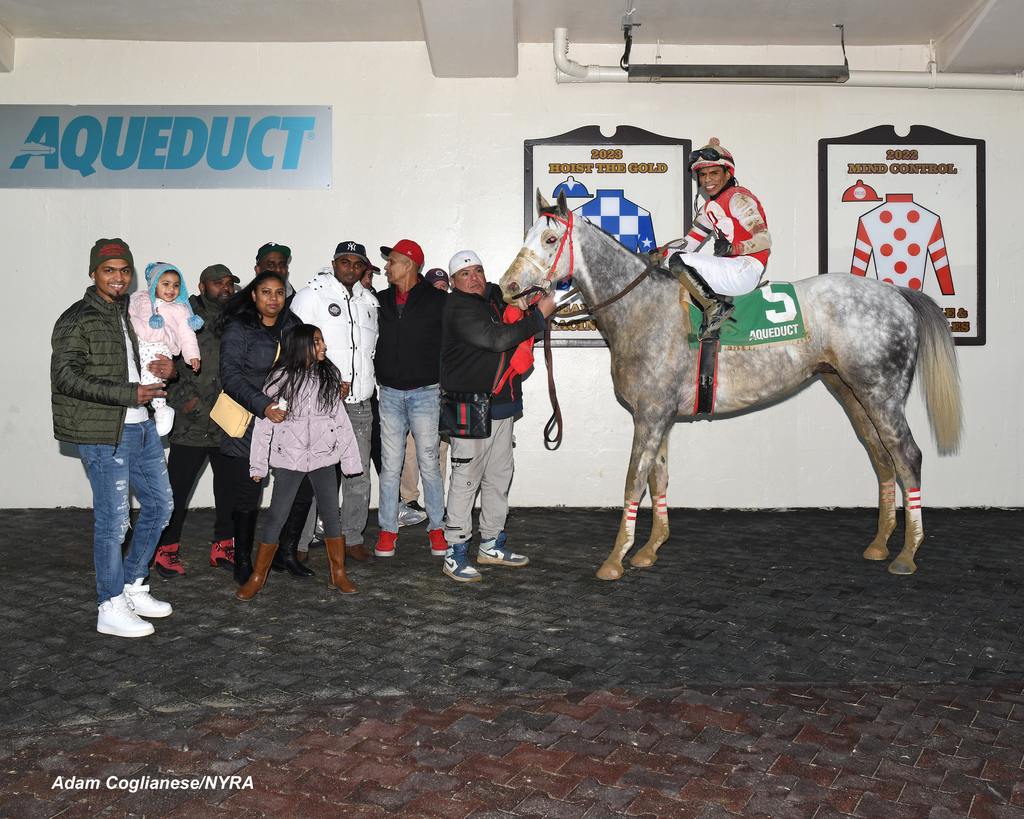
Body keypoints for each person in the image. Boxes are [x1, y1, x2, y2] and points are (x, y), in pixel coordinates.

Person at [51, 238, 175, 637]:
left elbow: (134, 365)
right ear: (94, 274)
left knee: (160, 505)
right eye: (109, 270)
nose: (118, 277)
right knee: (113, 522)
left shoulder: (127, 313)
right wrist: (128, 393)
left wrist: (164, 371)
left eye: (124, 271)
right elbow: (65, 377)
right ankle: (109, 604)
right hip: (103, 430)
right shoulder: (78, 317)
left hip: (140, 424)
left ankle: (133, 584)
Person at [440, 249, 557, 582]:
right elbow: (496, 340)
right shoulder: (458, 308)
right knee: (465, 480)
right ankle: (455, 551)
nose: (475, 277)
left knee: (499, 476)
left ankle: (490, 542)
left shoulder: (490, 297)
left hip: (501, 405)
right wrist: (538, 316)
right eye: (466, 273)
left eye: (478, 270)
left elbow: (506, 287)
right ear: (453, 282)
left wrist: (527, 293)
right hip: (469, 405)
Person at [238, 325, 363, 600]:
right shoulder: (279, 380)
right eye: (317, 341)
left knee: (332, 515)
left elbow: (340, 423)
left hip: (323, 458)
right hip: (288, 459)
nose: (324, 346)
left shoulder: (329, 377)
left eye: (322, 340)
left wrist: (350, 463)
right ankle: (258, 577)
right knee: (275, 517)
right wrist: (258, 465)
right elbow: (264, 425)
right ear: (302, 345)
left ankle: (338, 573)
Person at [291, 241, 379, 562]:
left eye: (358, 264)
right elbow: (294, 346)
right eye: (345, 262)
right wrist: (321, 383)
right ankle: (299, 542)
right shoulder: (311, 295)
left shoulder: (369, 301)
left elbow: (368, 354)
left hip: (360, 404)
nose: (351, 269)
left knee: (357, 475)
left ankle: (352, 536)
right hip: (320, 404)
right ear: (333, 263)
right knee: (314, 475)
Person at [152, 263, 240, 577]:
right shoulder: (181, 314)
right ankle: (165, 549)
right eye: (218, 283)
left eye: (229, 282)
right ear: (202, 286)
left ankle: (223, 545)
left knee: (229, 488)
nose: (225, 288)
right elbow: (163, 359)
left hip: (228, 420)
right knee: (177, 489)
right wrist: (183, 400)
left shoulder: (239, 316)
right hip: (192, 420)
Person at [219, 270, 302, 586]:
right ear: (253, 295)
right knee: (248, 493)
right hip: (248, 420)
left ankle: (284, 553)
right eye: (266, 292)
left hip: (286, 421)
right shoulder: (239, 328)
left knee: (297, 486)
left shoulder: (292, 327)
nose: (273, 299)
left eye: (279, 292)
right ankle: (242, 560)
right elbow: (231, 376)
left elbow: (307, 365)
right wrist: (263, 405)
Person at [373, 238, 448, 559]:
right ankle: (388, 530)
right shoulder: (380, 300)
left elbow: (450, 346)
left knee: (430, 465)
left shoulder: (437, 300)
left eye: (392, 261)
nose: (387, 267)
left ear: (410, 264)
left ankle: (437, 530)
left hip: (426, 393)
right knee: (390, 467)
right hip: (388, 393)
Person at [668, 137, 771, 338]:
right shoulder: (708, 209)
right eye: (703, 174)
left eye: (714, 173)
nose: (707, 180)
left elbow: (764, 240)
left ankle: (716, 308)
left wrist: (733, 249)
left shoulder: (738, 198)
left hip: (746, 269)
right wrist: (660, 252)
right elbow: (688, 243)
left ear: (727, 173)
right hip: (730, 270)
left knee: (677, 260)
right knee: (673, 260)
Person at [127, 263, 204, 436]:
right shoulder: (140, 298)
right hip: (139, 343)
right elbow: (128, 315)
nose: (171, 289)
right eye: (166, 284)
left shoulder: (180, 309)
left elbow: (187, 335)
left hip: (160, 347)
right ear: (154, 284)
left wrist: (192, 355)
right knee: (134, 378)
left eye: (176, 285)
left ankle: (161, 409)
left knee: (151, 378)